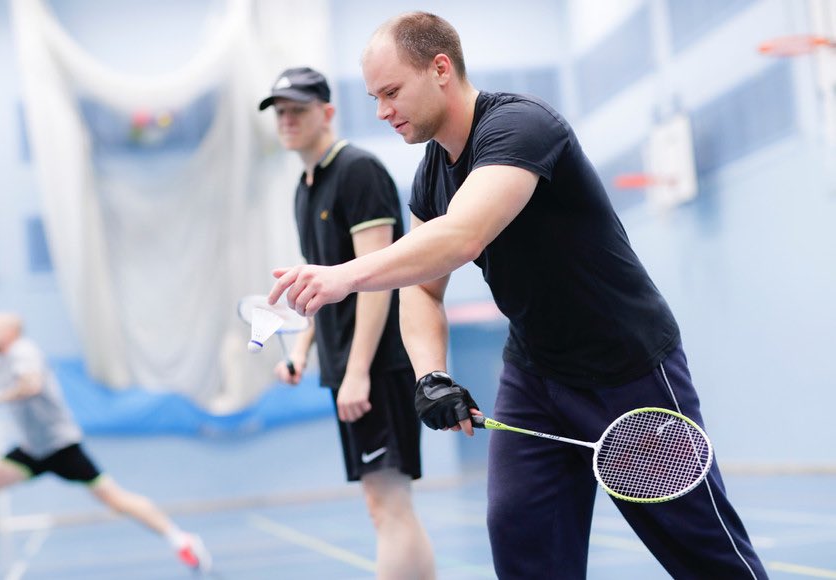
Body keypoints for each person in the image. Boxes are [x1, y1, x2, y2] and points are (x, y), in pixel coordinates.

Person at [267, 13, 768, 580]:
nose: (382, 111)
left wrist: (345, 276)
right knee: (520, 538)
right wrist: (430, 374)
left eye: (391, 92)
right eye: (374, 96)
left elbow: (463, 235)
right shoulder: (430, 176)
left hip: (626, 369)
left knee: (705, 554)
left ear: (440, 70)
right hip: (535, 374)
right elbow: (421, 291)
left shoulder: (521, 126)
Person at [258, 67, 435, 579]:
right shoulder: (305, 187)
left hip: (377, 365)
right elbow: (320, 283)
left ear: (327, 113)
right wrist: (301, 353)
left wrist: (358, 371)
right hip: (347, 367)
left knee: (390, 507)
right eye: (280, 112)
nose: (287, 120)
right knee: (384, 508)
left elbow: (376, 279)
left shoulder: (357, 172)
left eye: (298, 110)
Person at [0, 312, 211, 572]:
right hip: (31, 451)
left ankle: (180, 538)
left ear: (9, 333)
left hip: (61, 447)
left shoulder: (24, 352)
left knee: (114, 498)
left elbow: (32, 385)